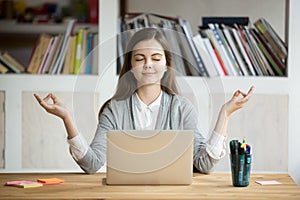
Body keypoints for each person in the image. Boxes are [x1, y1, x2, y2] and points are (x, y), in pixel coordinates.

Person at [34, 27, 254, 174]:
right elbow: (92, 164)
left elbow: (204, 165)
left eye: (156, 58)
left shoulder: (182, 108)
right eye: (140, 59)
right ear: (131, 66)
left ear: (166, 64)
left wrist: (225, 113)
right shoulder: (114, 110)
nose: (148, 64)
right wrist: (67, 117)